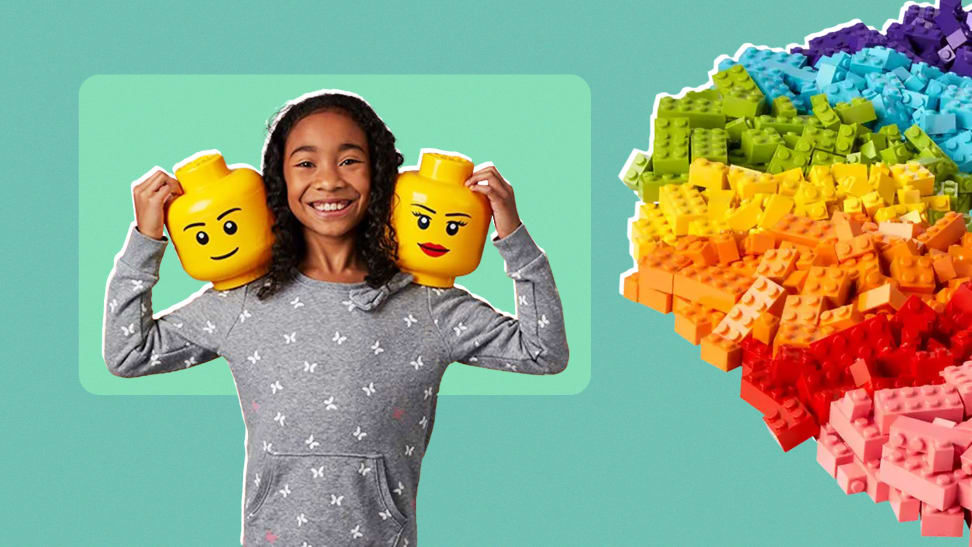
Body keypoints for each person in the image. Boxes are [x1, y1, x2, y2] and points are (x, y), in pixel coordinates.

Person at [102, 90, 568, 546]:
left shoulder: (427, 305)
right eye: (306, 163)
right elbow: (128, 353)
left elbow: (543, 352)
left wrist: (511, 232)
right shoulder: (243, 301)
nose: (328, 181)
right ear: (278, 182)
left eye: (349, 160)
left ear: (381, 174)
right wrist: (146, 238)